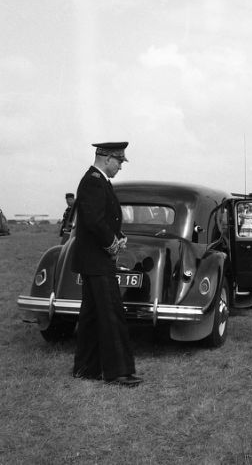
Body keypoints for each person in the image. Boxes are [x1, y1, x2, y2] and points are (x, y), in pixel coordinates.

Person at [72, 141, 142, 387]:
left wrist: (118, 236)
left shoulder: (98, 181)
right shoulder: (93, 181)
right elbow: (94, 220)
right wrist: (112, 244)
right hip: (97, 259)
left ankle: (85, 368)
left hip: (93, 259)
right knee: (112, 314)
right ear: (107, 158)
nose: (120, 166)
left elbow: (104, 218)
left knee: (91, 315)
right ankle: (119, 372)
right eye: (119, 161)